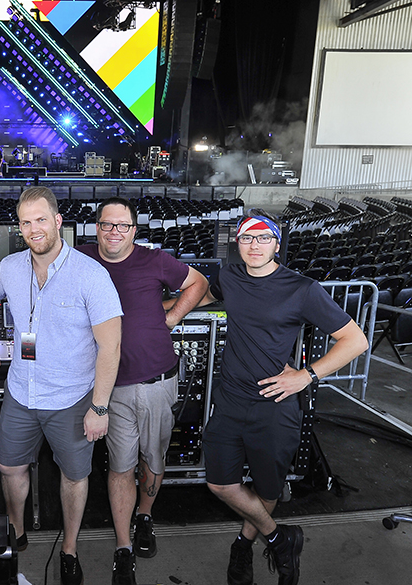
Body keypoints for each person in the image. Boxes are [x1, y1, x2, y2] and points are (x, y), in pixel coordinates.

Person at [197, 210, 368, 585]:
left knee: (267, 489)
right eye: (246, 238)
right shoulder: (230, 276)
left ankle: (244, 543)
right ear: (236, 244)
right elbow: (205, 294)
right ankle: (279, 538)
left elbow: (356, 340)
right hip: (229, 401)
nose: (254, 245)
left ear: (277, 244)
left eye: (263, 238)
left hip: (274, 408)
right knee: (219, 484)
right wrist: (163, 311)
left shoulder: (302, 289)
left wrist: (305, 376)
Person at [0, 187, 123, 585]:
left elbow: (111, 346)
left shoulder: (92, 275)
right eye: (26, 222)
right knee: (9, 466)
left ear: (58, 222)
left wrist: (100, 407)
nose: (33, 229)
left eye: (41, 219)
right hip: (22, 390)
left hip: (72, 398)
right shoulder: (10, 267)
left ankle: (69, 550)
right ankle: (16, 529)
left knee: (74, 477)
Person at [76, 197, 208, 585]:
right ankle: (123, 546)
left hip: (156, 383)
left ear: (134, 230)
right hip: (110, 388)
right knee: (120, 466)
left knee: (154, 459)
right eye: (107, 225)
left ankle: (145, 516)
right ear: (95, 227)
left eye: (123, 226)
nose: (114, 232)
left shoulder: (155, 260)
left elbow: (198, 282)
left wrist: (170, 317)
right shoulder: (80, 259)